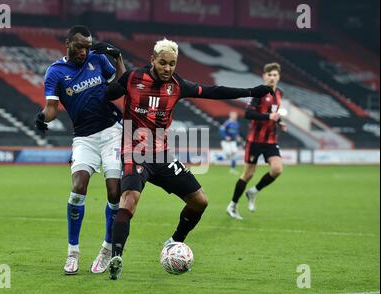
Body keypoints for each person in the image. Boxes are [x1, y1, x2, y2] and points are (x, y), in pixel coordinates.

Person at [104, 38, 274, 280]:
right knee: (129, 200)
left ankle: (174, 242)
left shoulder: (177, 85)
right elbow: (109, 94)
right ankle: (116, 257)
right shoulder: (132, 78)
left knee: (200, 202)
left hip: (162, 156)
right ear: (152, 59)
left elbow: (213, 92)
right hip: (135, 152)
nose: (167, 68)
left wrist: (249, 93)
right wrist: (116, 66)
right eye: (163, 63)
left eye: (172, 64)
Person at [34, 25, 126, 274]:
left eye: (88, 47)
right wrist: (42, 117)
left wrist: (117, 59)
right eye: (79, 47)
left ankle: (107, 249)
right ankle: (72, 252)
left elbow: (121, 85)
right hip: (84, 138)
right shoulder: (55, 72)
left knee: (114, 190)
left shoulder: (98, 60)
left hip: (111, 133)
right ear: (67, 43)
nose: (84, 52)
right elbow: (52, 109)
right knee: (78, 188)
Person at [226, 63, 287, 220]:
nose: (272, 78)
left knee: (277, 169)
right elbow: (247, 114)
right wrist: (268, 117)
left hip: (271, 140)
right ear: (264, 76)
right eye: (269, 75)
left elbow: (274, 114)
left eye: (275, 75)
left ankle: (253, 191)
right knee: (248, 174)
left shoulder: (280, 93)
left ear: (279, 77)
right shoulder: (259, 93)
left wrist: (280, 123)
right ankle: (232, 205)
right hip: (254, 140)